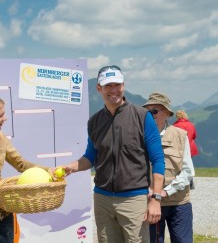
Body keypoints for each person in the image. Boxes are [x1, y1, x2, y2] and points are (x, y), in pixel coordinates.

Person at [54, 65, 165, 243]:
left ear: (123, 85)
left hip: (134, 199)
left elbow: (158, 160)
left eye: (117, 84)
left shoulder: (142, 116)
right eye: (108, 86)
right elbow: (89, 157)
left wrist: (156, 199)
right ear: (99, 89)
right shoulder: (94, 121)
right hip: (102, 198)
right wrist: (71, 167)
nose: (113, 90)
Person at [0, 95, 52, 243]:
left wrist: (48, 170)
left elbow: (21, 164)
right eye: (0, 115)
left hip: (4, 213)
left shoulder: (1, 138)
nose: (5, 118)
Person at [143, 92, 195, 243]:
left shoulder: (180, 135)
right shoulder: (139, 136)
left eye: (155, 110)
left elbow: (188, 171)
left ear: (166, 113)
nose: (150, 114)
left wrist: (167, 191)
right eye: (147, 111)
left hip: (179, 204)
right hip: (150, 203)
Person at [173, 109, 199, 190]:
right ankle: (191, 182)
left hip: (179, 148)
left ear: (177, 116)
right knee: (189, 164)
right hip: (190, 147)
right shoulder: (191, 125)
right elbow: (194, 136)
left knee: (179, 165)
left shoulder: (175, 126)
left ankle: (180, 182)